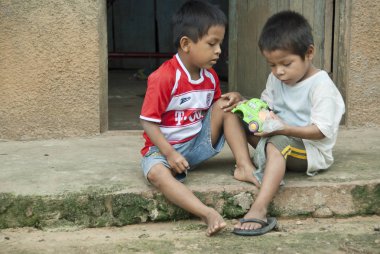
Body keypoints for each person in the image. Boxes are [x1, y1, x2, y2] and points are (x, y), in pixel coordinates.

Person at [139, 0, 257, 236]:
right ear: (186, 44)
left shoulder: (210, 76)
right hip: (163, 150)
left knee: (225, 106)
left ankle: (244, 166)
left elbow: (214, 110)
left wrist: (236, 98)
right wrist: (170, 153)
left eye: (220, 44)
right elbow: (148, 122)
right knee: (155, 174)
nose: (219, 51)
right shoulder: (164, 77)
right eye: (212, 44)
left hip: (196, 145)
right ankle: (207, 213)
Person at [232, 10, 345, 236]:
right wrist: (244, 104)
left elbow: (321, 131)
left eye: (286, 63)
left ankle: (259, 208)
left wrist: (285, 128)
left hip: (309, 150)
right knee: (232, 113)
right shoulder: (276, 78)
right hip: (277, 136)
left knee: (279, 142)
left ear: (309, 53)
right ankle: (246, 167)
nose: (279, 72)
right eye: (272, 65)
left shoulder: (321, 86)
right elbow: (266, 108)